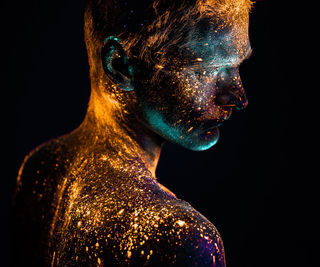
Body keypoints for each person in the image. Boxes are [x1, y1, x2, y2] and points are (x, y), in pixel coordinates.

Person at [12, 0, 253, 265]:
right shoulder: (180, 238)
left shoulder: (39, 167)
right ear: (121, 65)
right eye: (207, 71)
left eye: (238, 65)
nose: (239, 98)